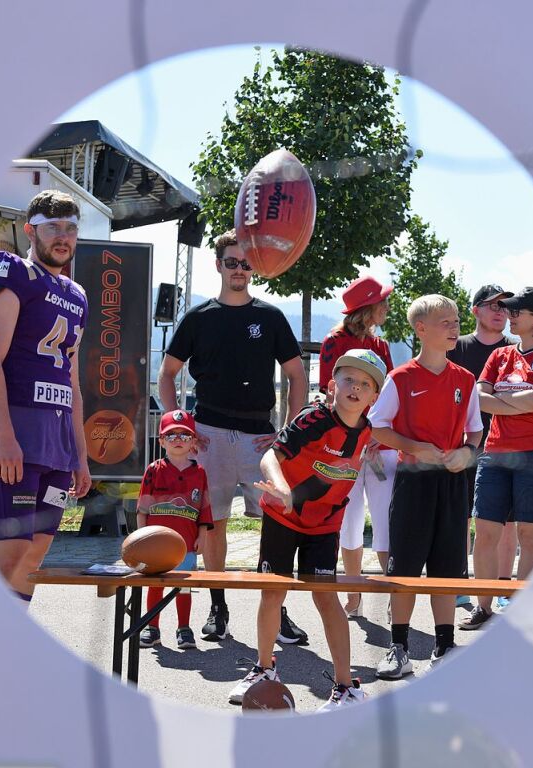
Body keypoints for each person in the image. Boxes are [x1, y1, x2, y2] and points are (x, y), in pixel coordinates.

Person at [157, 229, 309, 645]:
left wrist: (288, 433)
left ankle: (277, 613)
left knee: (277, 525)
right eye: (231, 262)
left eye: (246, 263)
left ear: (254, 267)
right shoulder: (198, 318)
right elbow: (167, 375)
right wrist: (182, 424)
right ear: (218, 265)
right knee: (214, 524)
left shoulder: (271, 317)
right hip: (208, 434)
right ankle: (217, 607)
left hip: (262, 439)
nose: (239, 270)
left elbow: (296, 375)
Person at [228, 350, 386, 709]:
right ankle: (264, 668)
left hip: (325, 525)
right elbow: (271, 456)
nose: (356, 388)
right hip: (283, 517)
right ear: (333, 385)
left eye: (365, 384)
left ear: (374, 397)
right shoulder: (313, 418)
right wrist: (281, 486)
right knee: (273, 593)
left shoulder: (369, 432)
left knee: (326, 598)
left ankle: (347, 687)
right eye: (349, 380)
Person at [0, 190, 91, 603]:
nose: (63, 236)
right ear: (29, 230)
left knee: (34, 555)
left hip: (55, 445)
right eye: (53, 227)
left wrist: (80, 456)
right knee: (7, 555)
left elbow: (71, 379)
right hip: (14, 433)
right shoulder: (11, 273)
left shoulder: (77, 294)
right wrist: (5, 438)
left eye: (71, 228)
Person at [371, 295, 483, 678]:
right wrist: (415, 447)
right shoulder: (400, 377)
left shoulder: (465, 380)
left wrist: (467, 454)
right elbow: (377, 426)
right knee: (405, 565)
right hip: (413, 483)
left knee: (448, 568)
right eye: (446, 321)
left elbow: (475, 432)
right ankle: (398, 647)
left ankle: (445, 645)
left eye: (455, 321)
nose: (455, 327)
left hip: (452, 485)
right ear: (421, 329)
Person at [462, 287, 533, 631]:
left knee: (530, 536)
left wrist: (507, 402)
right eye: (508, 310)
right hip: (495, 454)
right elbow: (479, 397)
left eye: (517, 310)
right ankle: (484, 606)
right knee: (485, 532)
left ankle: (524, 610)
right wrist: (527, 401)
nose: (510, 314)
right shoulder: (500, 355)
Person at [318, 275, 395, 617]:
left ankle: (394, 594)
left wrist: (379, 433)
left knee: (385, 518)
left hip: (379, 446)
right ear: (368, 308)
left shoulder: (381, 346)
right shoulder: (333, 341)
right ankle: (353, 593)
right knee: (347, 521)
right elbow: (328, 392)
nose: (388, 307)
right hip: (344, 446)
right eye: (383, 301)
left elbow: (388, 395)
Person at [447, 284, 517, 610]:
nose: (501, 311)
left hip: (505, 445)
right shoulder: (456, 348)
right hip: (461, 445)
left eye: (506, 306)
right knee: (460, 518)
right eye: (493, 305)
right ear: (475, 310)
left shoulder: (515, 351)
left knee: (505, 523)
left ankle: (502, 588)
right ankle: (460, 584)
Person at [137, 410, 212, 650]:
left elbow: (204, 509)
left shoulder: (199, 472)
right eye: (171, 435)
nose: (178, 439)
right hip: (156, 544)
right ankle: (152, 627)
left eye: (184, 434)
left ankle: (184, 629)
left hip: (186, 543)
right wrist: (141, 540)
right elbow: (142, 510)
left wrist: (202, 536)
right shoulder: (154, 470)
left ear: (193, 441)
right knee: (155, 585)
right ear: (161, 441)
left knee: (184, 587)